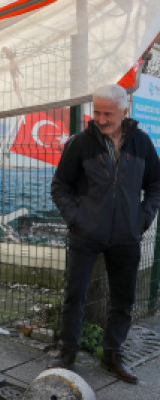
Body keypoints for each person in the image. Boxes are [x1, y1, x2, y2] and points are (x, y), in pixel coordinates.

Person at [48, 84, 160, 384]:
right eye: (96, 112)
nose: (100, 119)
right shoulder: (80, 144)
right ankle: (67, 353)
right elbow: (60, 186)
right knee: (75, 295)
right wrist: (76, 218)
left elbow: (155, 185)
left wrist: (143, 218)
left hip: (127, 235)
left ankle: (112, 354)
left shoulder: (142, 143)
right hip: (86, 234)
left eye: (108, 113)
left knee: (123, 298)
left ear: (124, 111)